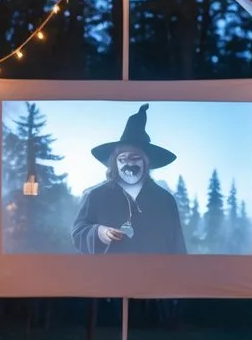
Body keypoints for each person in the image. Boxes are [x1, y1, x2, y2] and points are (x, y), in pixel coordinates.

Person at [72, 104, 187, 254]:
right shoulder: (97, 196)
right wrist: (99, 232)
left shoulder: (164, 200)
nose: (128, 164)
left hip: (155, 275)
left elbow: (177, 247)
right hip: (109, 275)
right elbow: (78, 232)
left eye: (135, 158)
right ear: (115, 164)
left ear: (147, 163)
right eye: (122, 159)